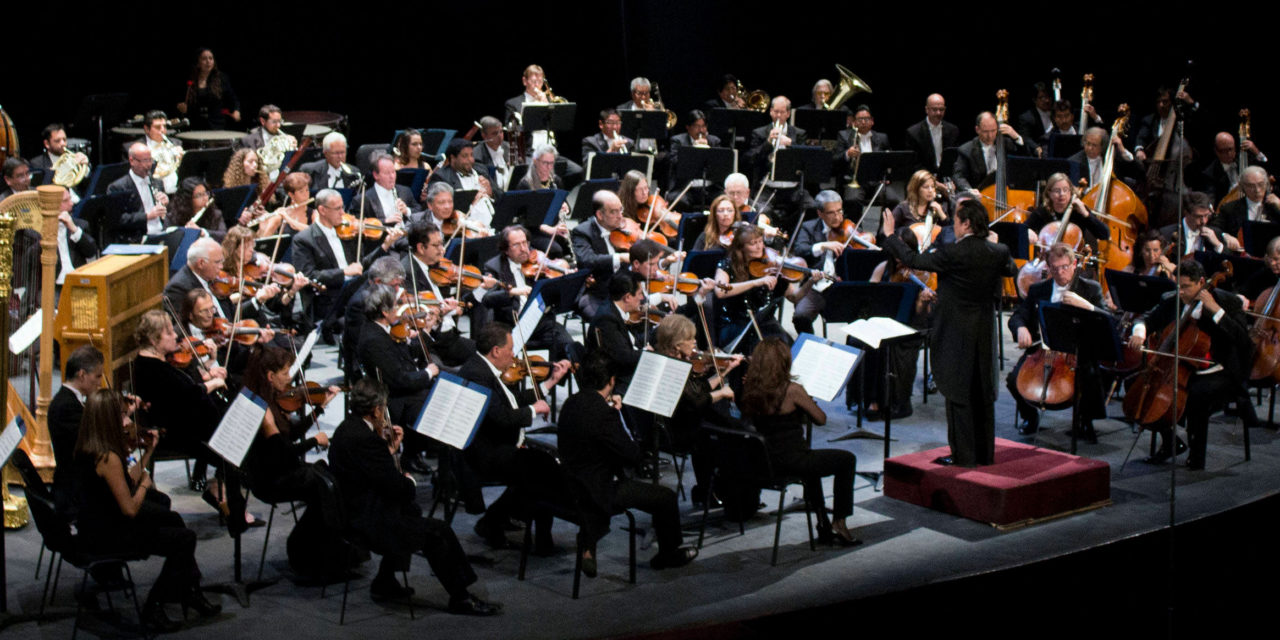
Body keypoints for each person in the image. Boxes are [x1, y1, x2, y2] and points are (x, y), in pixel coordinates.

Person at [327, 378, 501, 615]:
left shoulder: (346, 428)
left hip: (354, 510)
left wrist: (388, 451)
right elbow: (397, 487)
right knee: (439, 532)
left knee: (411, 512)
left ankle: (385, 580)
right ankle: (461, 597)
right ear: (376, 409)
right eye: (384, 407)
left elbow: (370, 472)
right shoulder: (366, 441)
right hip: (368, 521)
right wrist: (409, 479)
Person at [881, 201, 1017, 466]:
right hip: (984, 330)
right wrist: (993, 245)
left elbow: (912, 259)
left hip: (955, 329)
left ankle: (964, 456)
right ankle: (984, 454)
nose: (952, 225)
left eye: (956, 220)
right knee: (981, 390)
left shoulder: (952, 252)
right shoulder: (998, 250)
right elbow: (1011, 269)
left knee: (957, 391)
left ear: (966, 223)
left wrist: (889, 236)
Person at [74, 389, 221, 631]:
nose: (128, 421)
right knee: (185, 539)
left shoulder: (90, 446)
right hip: (108, 536)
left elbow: (124, 483)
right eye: (122, 416)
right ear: (108, 419)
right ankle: (155, 605)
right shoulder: (107, 457)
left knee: (173, 519)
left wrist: (148, 453)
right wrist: (145, 482)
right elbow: (130, 508)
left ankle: (188, 591)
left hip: (98, 524)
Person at [558, 352, 700, 573]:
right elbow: (631, 454)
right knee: (665, 497)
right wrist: (617, 416)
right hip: (597, 489)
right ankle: (668, 553)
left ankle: (588, 544)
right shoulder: (604, 414)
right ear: (611, 381)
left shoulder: (570, 403)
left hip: (568, 483)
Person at [1127, 259, 1253, 470]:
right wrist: (1139, 333)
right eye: (1178, 286)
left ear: (1202, 282)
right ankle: (1171, 441)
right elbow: (1146, 319)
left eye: (1186, 287)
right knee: (1135, 384)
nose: (1181, 292)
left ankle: (1197, 455)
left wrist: (1215, 311)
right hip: (1183, 368)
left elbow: (1244, 342)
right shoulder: (1173, 299)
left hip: (1220, 370)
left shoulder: (1229, 302)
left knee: (1194, 394)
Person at [738, 337, 860, 546]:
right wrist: (808, 400)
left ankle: (823, 525)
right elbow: (821, 419)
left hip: (763, 463)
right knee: (847, 460)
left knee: (812, 464)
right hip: (792, 461)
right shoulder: (792, 389)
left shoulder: (748, 388)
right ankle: (839, 522)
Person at [459, 323, 570, 552]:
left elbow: (512, 400)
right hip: (484, 452)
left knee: (542, 466)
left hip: (495, 443)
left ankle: (498, 521)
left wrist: (549, 383)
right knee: (543, 467)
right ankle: (505, 524)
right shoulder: (478, 374)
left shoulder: (484, 367)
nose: (515, 355)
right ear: (496, 351)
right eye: (510, 349)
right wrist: (534, 410)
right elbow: (501, 417)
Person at [1006, 243, 1107, 440]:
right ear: (1048, 267)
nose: (1060, 273)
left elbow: (1107, 319)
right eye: (1055, 268)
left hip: (1076, 351)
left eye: (1065, 267)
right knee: (1012, 380)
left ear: (1075, 264)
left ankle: (1084, 420)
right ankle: (1030, 417)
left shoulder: (1090, 289)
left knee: (1090, 375)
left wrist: (1086, 305)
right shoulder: (1038, 289)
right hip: (1042, 350)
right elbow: (1018, 316)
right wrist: (1020, 328)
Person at [652, 315, 740, 505]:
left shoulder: (672, 361)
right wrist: (722, 393)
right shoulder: (674, 367)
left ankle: (708, 490)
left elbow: (698, 390)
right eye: (690, 339)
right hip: (680, 430)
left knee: (723, 425)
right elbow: (696, 402)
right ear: (676, 344)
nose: (695, 343)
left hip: (686, 421)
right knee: (727, 433)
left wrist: (725, 372)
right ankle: (717, 490)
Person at [291, 188, 403, 331]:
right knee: (370, 321)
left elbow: (361, 266)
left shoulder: (346, 232)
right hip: (331, 302)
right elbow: (309, 276)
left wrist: (385, 245)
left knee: (394, 309)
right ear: (322, 210)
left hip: (357, 294)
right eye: (337, 208)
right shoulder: (303, 239)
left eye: (342, 207)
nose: (343, 213)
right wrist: (344, 272)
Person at [241, 345, 336, 507]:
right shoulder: (263, 408)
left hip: (279, 471)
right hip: (270, 480)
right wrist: (314, 441)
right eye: (285, 373)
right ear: (270, 376)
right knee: (327, 484)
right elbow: (285, 455)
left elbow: (290, 435)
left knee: (328, 477)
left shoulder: (268, 397)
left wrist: (319, 409)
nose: (289, 378)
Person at [481, 225, 582, 363]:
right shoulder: (494, 267)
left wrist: (567, 279)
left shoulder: (537, 261)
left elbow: (555, 294)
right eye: (517, 245)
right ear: (506, 250)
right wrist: (511, 292)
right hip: (511, 326)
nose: (524, 249)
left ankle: (551, 379)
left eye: (525, 243)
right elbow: (487, 299)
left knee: (570, 347)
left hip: (539, 321)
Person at [713, 225, 816, 352]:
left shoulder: (772, 267)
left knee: (788, 350)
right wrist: (756, 282)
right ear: (741, 247)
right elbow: (720, 291)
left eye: (760, 241)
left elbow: (794, 297)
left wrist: (810, 282)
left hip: (765, 322)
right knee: (761, 353)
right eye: (752, 243)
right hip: (736, 323)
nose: (759, 247)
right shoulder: (728, 264)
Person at [790, 190, 849, 335]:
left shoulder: (850, 229)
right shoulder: (808, 228)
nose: (837, 217)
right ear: (820, 213)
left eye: (839, 211)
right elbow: (799, 250)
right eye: (831, 213)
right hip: (816, 287)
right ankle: (811, 344)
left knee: (862, 316)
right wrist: (822, 245)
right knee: (800, 316)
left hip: (843, 288)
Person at [571, 190, 631, 318]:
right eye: (613, 212)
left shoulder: (624, 230)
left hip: (623, 290)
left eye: (621, 210)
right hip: (596, 291)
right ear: (599, 214)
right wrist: (619, 257)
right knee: (606, 321)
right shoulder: (582, 232)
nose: (620, 216)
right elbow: (587, 260)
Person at [952, 112, 1036, 195]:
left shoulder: (1006, 144)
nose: (990, 136)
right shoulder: (967, 150)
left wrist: (1017, 137)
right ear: (977, 129)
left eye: (993, 131)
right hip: (980, 195)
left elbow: (1026, 159)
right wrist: (970, 190)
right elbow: (959, 176)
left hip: (1005, 193)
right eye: (985, 132)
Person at [1024, 172, 1111, 250]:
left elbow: (1104, 234)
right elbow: (1023, 230)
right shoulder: (1043, 211)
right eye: (1057, 191)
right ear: (1049, 193)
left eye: (1065, 190)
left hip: (1073, 263)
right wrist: (1027, 232)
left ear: (1070, 191)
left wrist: (1086, 214)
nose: (1062, 194)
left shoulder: (1078, 210)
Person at [106, 143, 168, 242]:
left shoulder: (157, 183)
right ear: (132, 161)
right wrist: (147, 216)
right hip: (136, 238)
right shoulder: (118, 187)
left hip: (162, 232)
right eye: (144, 161)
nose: (149, 165)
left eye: (150, 160)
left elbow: (165, 214)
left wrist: (165, 203)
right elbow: (118, 219)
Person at [882, 169, 953, 246]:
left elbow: (950, 234)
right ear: (916, 189)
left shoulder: (938, 208)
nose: (930, 190)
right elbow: (887, 232)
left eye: (932, 187)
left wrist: (941, 214)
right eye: (926, 187)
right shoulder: (903, 208)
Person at [177, 48, 241, 130]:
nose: (208, 61)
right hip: (196, 125)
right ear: (198, 63)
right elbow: (182, 104)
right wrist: (182, 108)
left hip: (217, 125)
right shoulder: (191, 80)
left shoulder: (222, 78)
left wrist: (236, 111)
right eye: (204, 59)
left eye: (211, 58)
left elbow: (234, 99)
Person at [1201, 130, 1268, 204]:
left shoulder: (1244, 158)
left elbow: (1266, 168)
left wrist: (1256, 152)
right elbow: (1210, 198)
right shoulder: (1210, 173)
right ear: (1216, 151)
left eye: (1230, 149)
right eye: (1223, 151)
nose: (1228, 154)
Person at [1216, 166, 1280, 240]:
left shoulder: (1275, 206)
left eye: (1261, 184)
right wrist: (1224, 235)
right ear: (1242, 187)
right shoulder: (1229, 208)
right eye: (1251, 186)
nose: (1257, 190)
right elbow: (1214, 229)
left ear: (1267, 184)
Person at [903, 94, 960, 176]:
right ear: (927, 110)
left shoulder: (953, 130)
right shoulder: (913, 133)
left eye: (941, 109)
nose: (938, 113)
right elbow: (914, 164)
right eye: (934, 109)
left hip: (947, 176)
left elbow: (955, 159)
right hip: (924, 178)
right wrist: (932, 180)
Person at [1070, 127, 1139, 189]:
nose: (1090, 148)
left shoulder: (1113, 158)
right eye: (1088, 143)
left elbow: (1138, 172)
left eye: (1094, 145)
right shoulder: (1074, 161)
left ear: (1102, 146)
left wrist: (1123, 151)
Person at [1159, 191, 1225, 257]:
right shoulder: (1167, 234)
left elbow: (1227, 262)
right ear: (1186, 213)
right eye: (1198, 216)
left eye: (1206, 215)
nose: (1203, 221)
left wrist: (1218, 245)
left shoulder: (1215, 234)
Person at [360, 152, 418, 224]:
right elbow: (359, 224)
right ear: (375, 175)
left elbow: (421, 213)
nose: (392, 176)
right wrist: (385, 221)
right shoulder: (363, 199)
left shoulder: (405, 191)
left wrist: (407, 211)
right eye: (387, 173)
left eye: (393, 172)